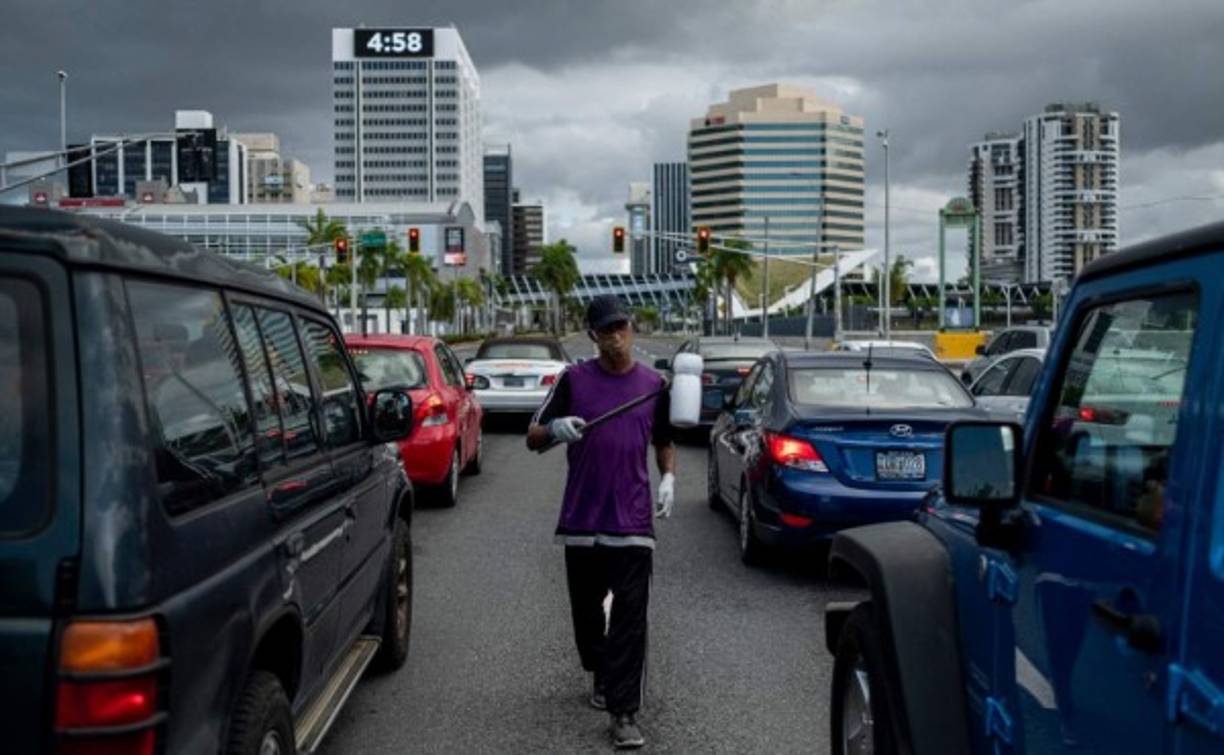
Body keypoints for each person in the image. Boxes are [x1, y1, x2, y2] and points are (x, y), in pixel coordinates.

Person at [526, 295, 676, 750]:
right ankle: (600, 668)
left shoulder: (653, 384)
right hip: (582, 518)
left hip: (631, 519)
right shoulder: (572, 381)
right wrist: (555, 431)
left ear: (632, 327)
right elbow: (532, 436)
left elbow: (665, 439)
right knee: (587, 618)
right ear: (592, 335)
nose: (616, 337)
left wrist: (668, 476)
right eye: (606, 330)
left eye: (622, 327)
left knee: (631, 617)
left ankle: (624, 712)